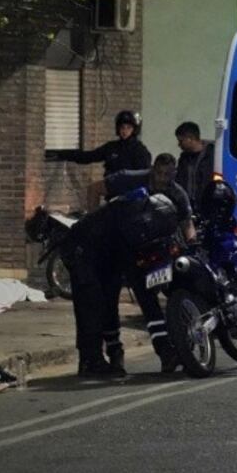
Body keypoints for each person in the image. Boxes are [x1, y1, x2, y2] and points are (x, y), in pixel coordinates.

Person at [60, 154, 195, 377]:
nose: (162, 179)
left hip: (129, 249)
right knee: (99, 301)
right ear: (152, 170)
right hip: (95, 247)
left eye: (168, 175)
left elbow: (187, 224)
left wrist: (191, 246)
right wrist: (91, 221)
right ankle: (100, 359)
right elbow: (94, 189)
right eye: (159, 174)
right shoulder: (128, 180)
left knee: (146, 294)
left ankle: (165, 352)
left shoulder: (176, 194)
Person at [50, 110, 152, 209]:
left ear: (134, 129)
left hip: (130, 187)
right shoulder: (111, 147)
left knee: (93, 189)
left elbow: (145, 173)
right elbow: (89, 156)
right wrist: (62, 154)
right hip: (112, 185)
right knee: (92, 189)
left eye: (128, 128)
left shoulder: (140, 150)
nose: (125, 131)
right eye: (122, 127)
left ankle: (91, 222)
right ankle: (94, 220)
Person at [174, 121, 215, 209]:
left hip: (207, 206)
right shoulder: (184, 158)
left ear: (190, 138)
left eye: (181, 141)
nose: (179, 145)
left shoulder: (212, 155)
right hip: (188, 206)